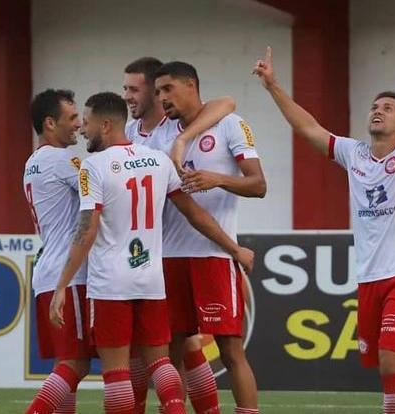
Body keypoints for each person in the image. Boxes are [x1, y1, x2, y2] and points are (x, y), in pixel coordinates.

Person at [253, 28, 395, 414]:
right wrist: (273, 86)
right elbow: (307, 127)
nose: (378, 110)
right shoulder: (354, 154)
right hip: (370, 277)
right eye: (375, 105)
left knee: (390, 362)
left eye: (388, 107)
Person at [49, 92, 254, 414]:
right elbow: (193, 212)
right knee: (161, 363)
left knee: (117, 372)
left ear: (105, 125)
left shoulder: (94, 166)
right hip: (151, 281)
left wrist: (62, 283)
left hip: (111, 283)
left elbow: (87, 229)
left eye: (86, 124)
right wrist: (234, 247)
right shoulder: (158, 160)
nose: (83, 131)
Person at [123, 56, 236, 414]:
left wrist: (184, 139)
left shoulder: (176, 131)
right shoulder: (132, 133)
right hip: (148, 252)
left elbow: (227, 103)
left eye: (134, 89)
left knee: (162, 346)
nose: (128, 96)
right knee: (173, 346)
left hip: (180, 253)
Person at [156, 61, 266, 414]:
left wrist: (218, 179)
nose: (162, 98)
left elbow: (258, 184)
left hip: (213, 256)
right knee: (170, 352)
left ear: (191, 84)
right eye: (157, 92)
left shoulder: (230, 125)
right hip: (169, 257)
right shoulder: (161, 134)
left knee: (231, 351)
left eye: (168, 89)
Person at [23, 89, 92, 414]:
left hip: (46, 274)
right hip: (70, 273)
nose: (79, 124)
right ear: (50, 123)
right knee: (76, 364)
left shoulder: (33, 162)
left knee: (65, 364)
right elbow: (102, 191)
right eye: (72, 118)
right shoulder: (62, 159)